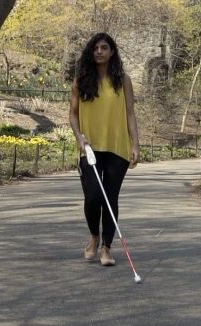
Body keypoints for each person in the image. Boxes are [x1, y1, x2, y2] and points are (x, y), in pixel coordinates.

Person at [69, 32, 140, 267]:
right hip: (89, 148)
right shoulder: (81, 80)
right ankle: (94, 236)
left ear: (112, 53)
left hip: (117, 147)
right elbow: (73, 114)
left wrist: (135, 144)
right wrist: (79, 137)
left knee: (110, 198)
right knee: (93, 196)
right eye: (96, 48)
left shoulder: (123, 80)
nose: (99, 52)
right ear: (91, 52)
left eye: (104, 48)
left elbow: (130, 113)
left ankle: (107, 248)